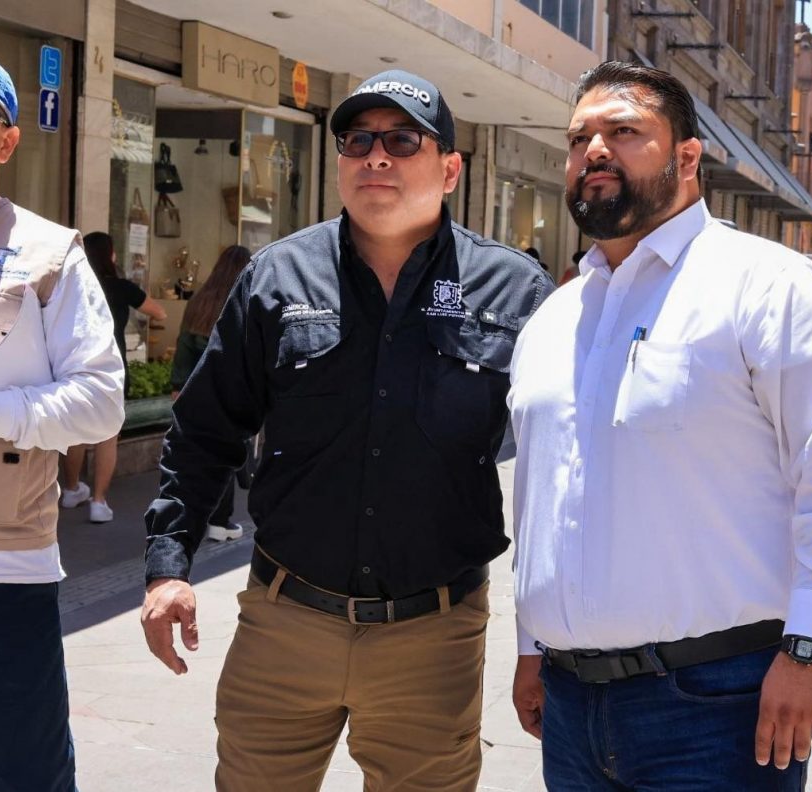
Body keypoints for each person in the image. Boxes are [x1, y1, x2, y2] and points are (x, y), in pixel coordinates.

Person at [140, 69, 554, 791]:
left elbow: (565, 467)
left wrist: (549, 637)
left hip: (434, 637)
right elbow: (205, 430)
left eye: (403, 140)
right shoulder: (278, 276)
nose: (376, 156)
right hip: (285, 623)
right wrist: (169, 565)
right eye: (357, 141)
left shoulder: (516, 291)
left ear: (450, 169)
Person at [508, 62, 812, 791]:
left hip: (717, 707)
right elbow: (543, 497)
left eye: (625, 131)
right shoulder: (556, 317)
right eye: (580, 137)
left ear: (688, 158)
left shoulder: (767, 286)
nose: (595, 150)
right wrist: (533, 643)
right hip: (569, 704)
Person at [0, 53, 124, 791]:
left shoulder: (49, 253)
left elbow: (101, 400)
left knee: (28, 776)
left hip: (2, 569)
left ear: (7, 141)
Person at [61, 231, 166, 522]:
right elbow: (160, 313)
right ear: (110, 255)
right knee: (108, 435)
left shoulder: (74, 284)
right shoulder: (120, 287)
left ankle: (71, 490)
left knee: (76, 431)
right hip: (111, 367)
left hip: (75, 363)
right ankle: (98, 502)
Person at [169, 243, 250, 541]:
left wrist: (178, 388)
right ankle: (219, 521)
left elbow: (183, 348)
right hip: (232, 393)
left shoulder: (199, 302)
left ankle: (194, 518)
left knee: (198, 457)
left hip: (196, 391)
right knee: (225, 455)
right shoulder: (245, 299)